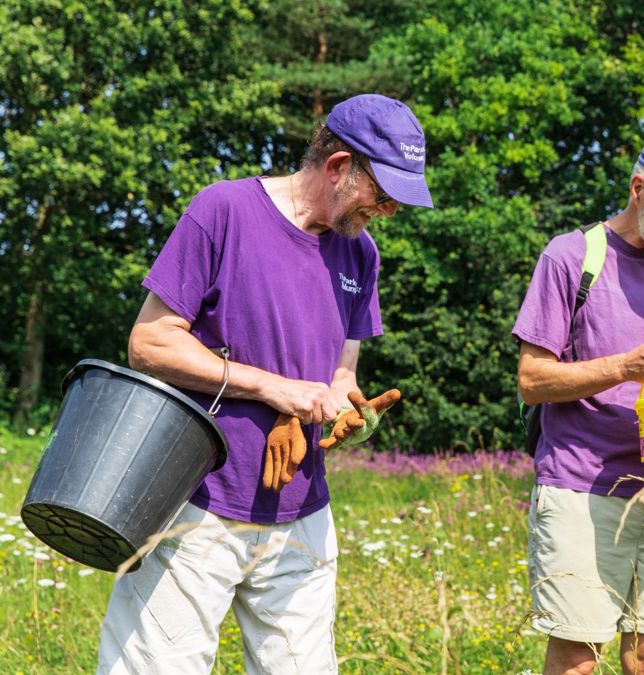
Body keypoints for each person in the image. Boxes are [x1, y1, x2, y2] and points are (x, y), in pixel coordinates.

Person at [96, 94, 433, 673]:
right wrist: (272, 387)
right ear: (338, 167)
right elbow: (149, 344)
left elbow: (341, 371)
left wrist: (345, 406)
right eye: (382, 195)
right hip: (194, 500)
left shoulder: (362, 255)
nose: (386, 212)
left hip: (302, 514)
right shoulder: (223, 211)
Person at [512, 131, 644, 675]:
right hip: (581, 486)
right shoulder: (572, 256)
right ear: (638, 188)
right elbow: (532, 380)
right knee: (579, 658)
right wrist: (624, 368)